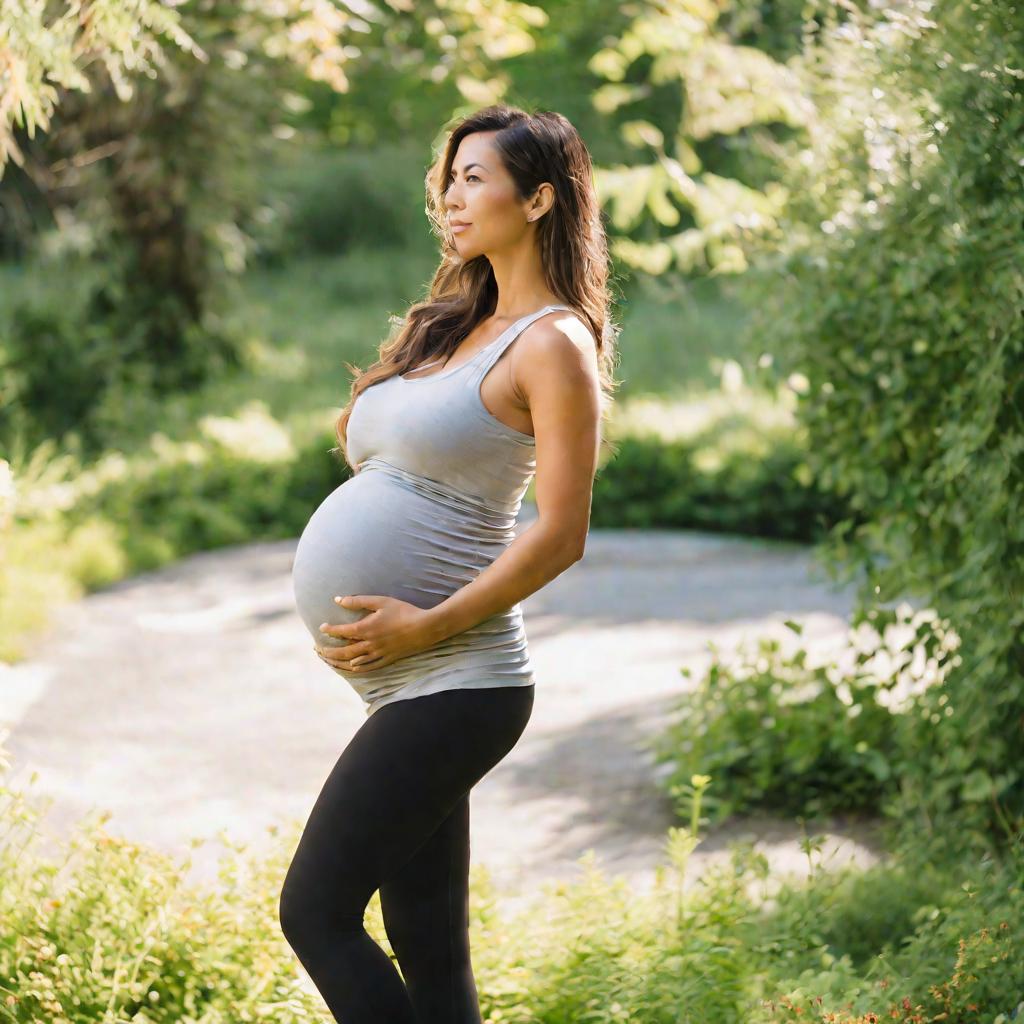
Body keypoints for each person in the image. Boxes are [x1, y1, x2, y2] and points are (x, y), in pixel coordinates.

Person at [281, 103, 620, 1023]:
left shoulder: (553, 344)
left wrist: (423, 624)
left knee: (314, 912)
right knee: (428, 940)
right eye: (450, 177)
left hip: (461, 678)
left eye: (477, 177)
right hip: (409, 683)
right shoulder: (451, 327)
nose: (453, 196)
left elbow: (560, 533)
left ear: (541, 198)